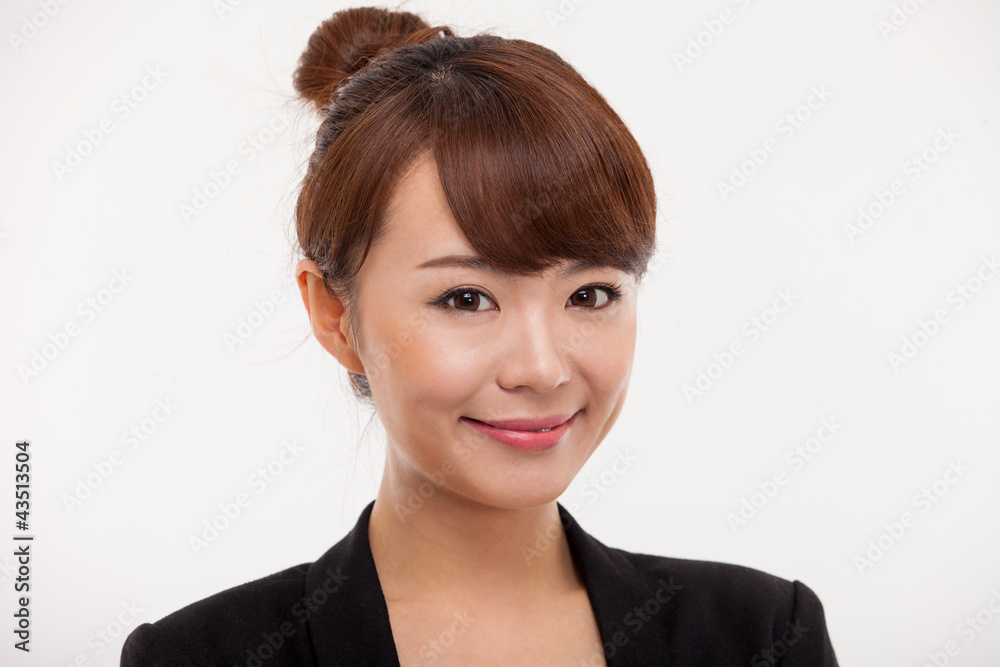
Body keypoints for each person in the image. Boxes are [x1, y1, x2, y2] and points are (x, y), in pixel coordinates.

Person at [121, 6, 838, 665]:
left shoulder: (762, 634)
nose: (541, 367)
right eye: (466, 298)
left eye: (589, 294)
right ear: (335, 315)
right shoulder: (199, 657)